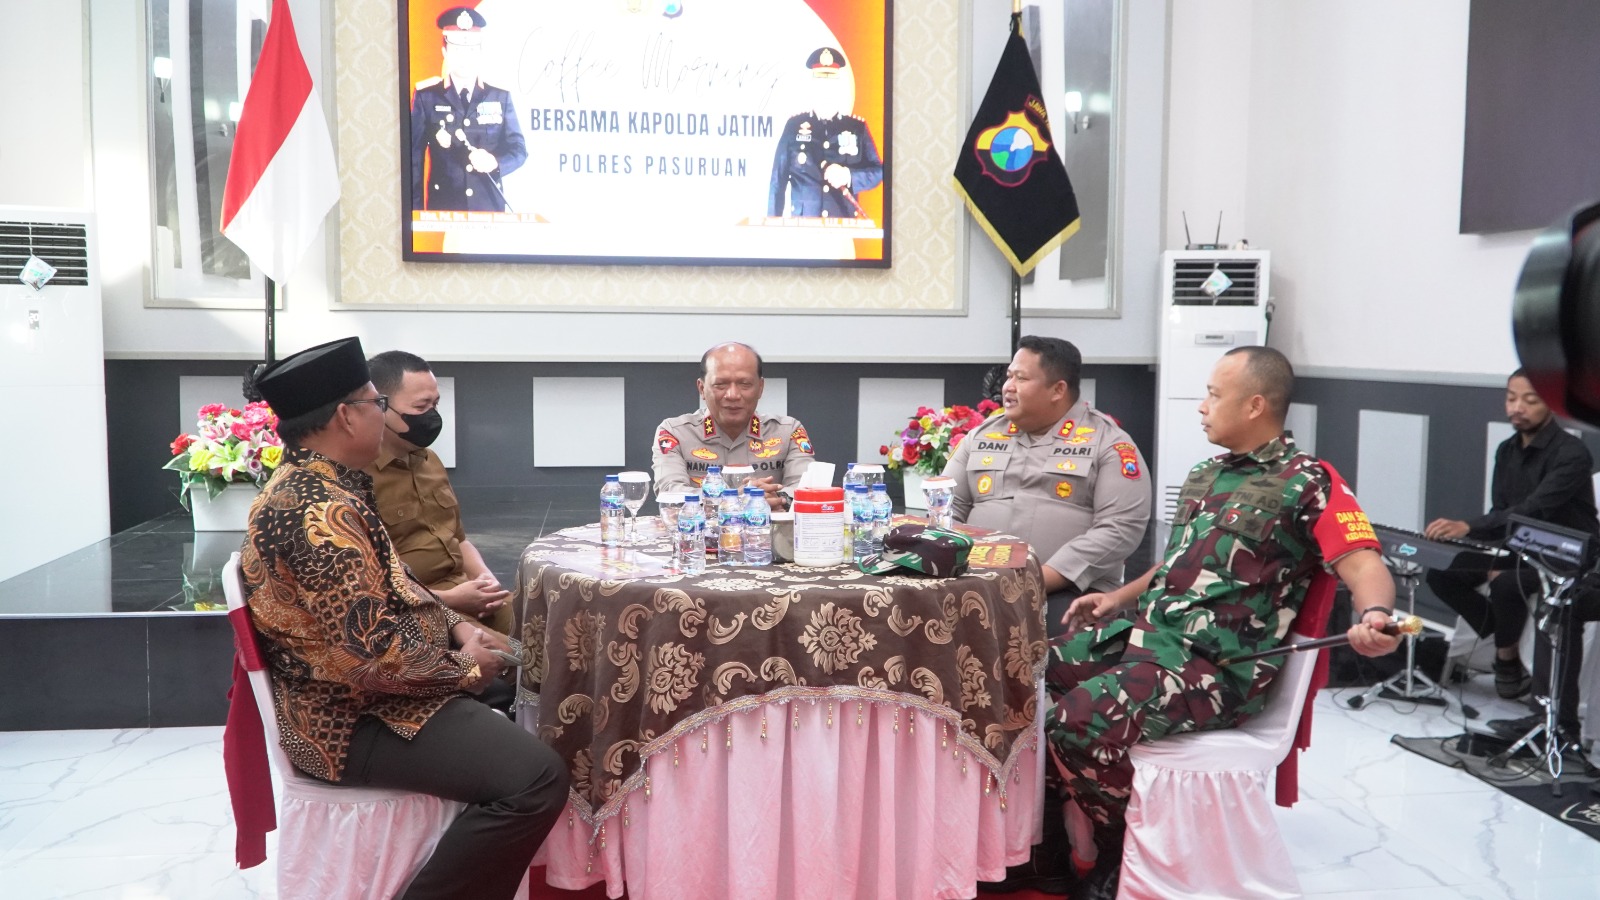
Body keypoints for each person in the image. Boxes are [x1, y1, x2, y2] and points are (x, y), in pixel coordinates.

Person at [1005, 346, 1402, 899]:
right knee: (1026, 675)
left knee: (1077, 723)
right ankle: (1045, 845)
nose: (1201, 406)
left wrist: (1376, 614)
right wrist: (1117, 598)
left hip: (1217, 667)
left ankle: (1120, 849)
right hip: (1150, 640)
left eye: (1214, 394)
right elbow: (1178, 563)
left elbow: (1364, 564)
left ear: (1255, 405)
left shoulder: (1309, 482)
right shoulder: (1205, 474)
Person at [241, 337, 568, 899]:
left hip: (376, 694)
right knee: (537, 779)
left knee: (540, 678)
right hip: (350, 721)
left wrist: (458, 627)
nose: (382, 415)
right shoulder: (318, 515)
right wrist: (466, 668)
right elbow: (373, 661)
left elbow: (399, 585)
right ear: (346, 416)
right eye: (375, 403)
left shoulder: (325, 484)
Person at [943, 336, 1151, 639]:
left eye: (1021, 378)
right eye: (1009, 376)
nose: (1008, 387)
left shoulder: (1107, 443)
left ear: (1058, 390)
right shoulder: (981, 437)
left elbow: (1120, 528)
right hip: (974, 583)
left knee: (1051, 642)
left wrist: (1040, 577)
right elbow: (946, 508)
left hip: (1069, 590)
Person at [1424, 369, 1596, 730]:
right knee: (1442, 572)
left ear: (1551, 404)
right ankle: (1501, 639)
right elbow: (1502, 511)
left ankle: (1507, 662)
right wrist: (1477, 545)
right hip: (1520, 547)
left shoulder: (1572, 454)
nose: (1517, 407)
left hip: (1564, 557)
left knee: (1507, 581)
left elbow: (1534, 509)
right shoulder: (1507, 450)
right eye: (1511, 398)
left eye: (1529, 400)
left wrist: (1469, 526)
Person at [365, 350, 513, 635]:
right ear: (380, 406)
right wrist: (453, 599)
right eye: (421, 406)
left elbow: (459, 539)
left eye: (435, 404)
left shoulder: (430, 461)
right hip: (420, 608)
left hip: (466, 588)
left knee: (553, 628)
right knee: (509, 653)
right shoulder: (359, 478)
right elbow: (373, 586)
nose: (432, 415)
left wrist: (486, 580)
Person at [652, 342, 814, 510]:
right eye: (720, 384)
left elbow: (808, 488)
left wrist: (778, 498)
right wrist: (738, 499)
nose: (733, 395)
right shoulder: (675, 433)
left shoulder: (788, 432)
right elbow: (670, 493)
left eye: (745, 384)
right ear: (701, 388)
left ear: (760, 388)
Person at [410, 7, 527, 212]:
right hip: (444, 210)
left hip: (489, 209)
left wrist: (495, 163)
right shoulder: (426, 97)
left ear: (480, 52)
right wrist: (415, 214)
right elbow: (414, 159)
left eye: (471, 50)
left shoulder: (500, 96)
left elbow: (518, 149)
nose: (465, 58)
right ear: (445, 52)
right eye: (458, 50)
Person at [767, 47, 884, 219]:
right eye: (820, 83)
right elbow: (777, 181)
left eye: (831, 83)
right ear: (812, 87)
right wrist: (772, 224)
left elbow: (879, 172)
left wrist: (848, 176)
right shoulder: (793, 126)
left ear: (839, 87)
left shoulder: (856, 128)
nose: (826, 89)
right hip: (804, 226)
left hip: (843, 226)